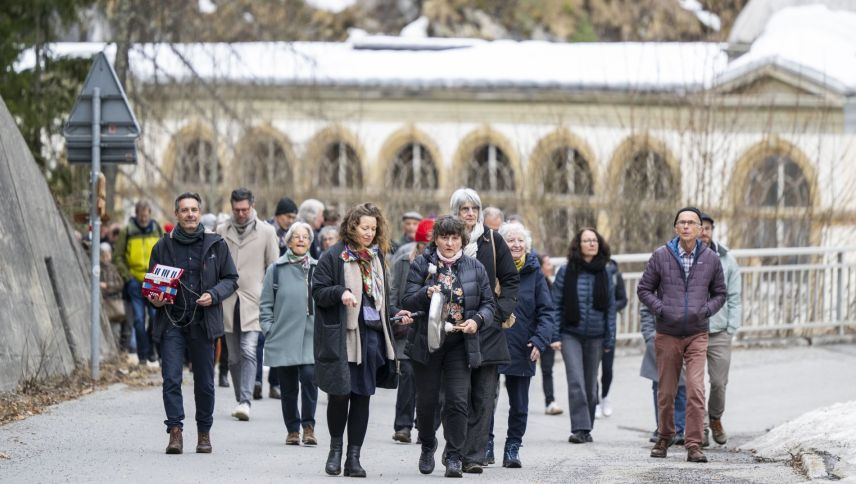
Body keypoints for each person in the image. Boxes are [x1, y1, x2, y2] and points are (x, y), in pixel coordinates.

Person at [312, 202, 410, 478]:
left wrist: (396, 313)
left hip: (372, 339)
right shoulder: (334, 256)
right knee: (339, 395)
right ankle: (335, 452)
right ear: (351, 227)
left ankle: (353, 458)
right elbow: (318, 291)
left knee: (362, 397)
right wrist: (340, 292)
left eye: (373, 228)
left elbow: (381, 301)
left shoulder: (376, 258)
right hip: (343, 339)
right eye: (364, 227)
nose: (369, 233)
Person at [402, 215, 494, 477]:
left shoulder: (475, 267)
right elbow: (406, 299)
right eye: (444, 237)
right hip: (427, 342)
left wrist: (477, 320)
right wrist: (425, 293)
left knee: (457, 400)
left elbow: (489, 304)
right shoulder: (422, 264)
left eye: (455, 238)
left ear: (462, 240)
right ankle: (427, 444)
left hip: (459, 343)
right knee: (427, 401)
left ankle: (454, 455)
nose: (450, 243)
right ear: (436, 239)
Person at [147, 192, 238, 455]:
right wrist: (155, 300)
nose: (190, 214)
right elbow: (152, 286)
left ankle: (204, 433)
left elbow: (231, 279)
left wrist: (214, 294)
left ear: (199, 213)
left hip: (203, 322)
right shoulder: (162, 246)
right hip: (171, 322)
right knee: (171, 379)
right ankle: (175, 432)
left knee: (205, 383)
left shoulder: (216, 244)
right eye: (185, 210)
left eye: (194, 210)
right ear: (176, 214)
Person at [637, 206, 726, 463]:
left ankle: (694, 444)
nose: (686, 226)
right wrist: (661, 309)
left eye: (691, 223)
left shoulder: (711, 258)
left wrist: (705, 310)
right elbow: (644, 289)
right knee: (666, 391)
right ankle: (664, 436)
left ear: (699, 229)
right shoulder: (661, 255)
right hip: (668, 333)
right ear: (676, 228)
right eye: (682, 222)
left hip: (697, 333)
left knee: (696, 389)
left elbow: (720, 293)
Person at [451, 188, 519, 473]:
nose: (470, 214)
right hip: (454, 329)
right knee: (456, 397)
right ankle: (454, 452)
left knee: (483, 394)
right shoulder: (448, 238)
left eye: (474, 208)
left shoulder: (492, 240)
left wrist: (499, 313)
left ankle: (473, 456)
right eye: (464, 209)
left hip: (488, 327)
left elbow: (511, 279)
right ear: (455, 212)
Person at [492, 222, 554, 468]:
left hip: (523, 345)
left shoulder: (535, 273)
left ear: (527, 245)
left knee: (519, 405)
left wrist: (540, 340)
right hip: (493, 342)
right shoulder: (492, 268)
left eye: (520, 241)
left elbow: (547, 312)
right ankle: (485, 444)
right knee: (485, 400)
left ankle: (512, 447)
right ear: (502, 245)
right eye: (511, 240)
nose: (516, 245)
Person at [216, 188, 279, 421]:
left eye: (245, 209)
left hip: (255, 300)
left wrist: (272, 301)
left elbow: (274, 268)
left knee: (249, 349)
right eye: (236, 210)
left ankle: (245, 401)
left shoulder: (267, 232)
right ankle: (240, 397)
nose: (241, 214)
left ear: (252, 206)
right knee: (233, 357)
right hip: (228, 300)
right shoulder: (221, 231)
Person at [550, 228, 616, 444]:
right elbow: (555, 304)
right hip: (570, 334)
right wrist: (554, 335)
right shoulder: (565, 270)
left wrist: (610, 337)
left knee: (590, 385)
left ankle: (587, 428)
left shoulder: (605, 271)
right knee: (576, 380)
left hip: (597, 336)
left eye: (594, 240)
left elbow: (610, 308)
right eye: (587, 240)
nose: (591, 244)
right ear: (578, 245)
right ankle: (580, 428)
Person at [259, 221, 319, 446]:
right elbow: (265, 304)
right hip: (283, 336)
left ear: (310, 242)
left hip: (311, 336)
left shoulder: (318, 268)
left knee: (310, 379)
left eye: (305, 237)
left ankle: (309, 427)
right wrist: (269, 330)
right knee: (288, 386)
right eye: (296, 236)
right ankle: (293, 429)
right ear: (288, 242)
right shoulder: (275, 269)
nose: (301, 240)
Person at [388, 217, 434, 444]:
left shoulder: (441, 264)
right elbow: (392, 294)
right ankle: (403, 426)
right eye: (423, 244)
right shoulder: (403, 262)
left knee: (428, 381)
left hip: (430, 329)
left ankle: (424, 426)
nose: (427, 249)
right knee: (407, 374)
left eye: (430, 244)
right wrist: (398, 313)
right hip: (406, 329)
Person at [699, 212, 742, 447]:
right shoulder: (685, 256)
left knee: (718, 383)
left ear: (712, 231)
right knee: (694, 384)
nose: (703, 232)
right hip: (693, 330)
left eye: (707, 228)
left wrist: (731, 327)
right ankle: (701, 426)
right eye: (700, 228)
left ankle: (715, 418)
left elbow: (735, 296)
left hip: (720, 331)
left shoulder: (727, 259)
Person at [114, 199, 163, 368]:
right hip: (135, 281)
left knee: (155, 317)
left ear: (149, 214)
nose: (143, 219)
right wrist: (127, 277)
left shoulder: (157, 229)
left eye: (146, 215)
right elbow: (117, 256)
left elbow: (165, 251)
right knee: (139, 320)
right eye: (141, 216)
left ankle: (151, 350)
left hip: (154, 280)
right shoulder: (127, 231)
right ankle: (143, 355)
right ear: (136, 214)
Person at [640, 305, 687, 444]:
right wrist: (650, 336)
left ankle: (678, 429)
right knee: (659, 383)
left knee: (681, 384)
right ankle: (662, 428)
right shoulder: (655, 289)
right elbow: (646, 308)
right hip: (658, 339)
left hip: (683, 336)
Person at [595, 258, 628, 418]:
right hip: (592, 328)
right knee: (591, 369)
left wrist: (611, 306)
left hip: (609, 328)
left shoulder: (615, 274)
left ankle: (605, 397)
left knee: (607, 368)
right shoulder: (589, 272)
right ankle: (594, 401)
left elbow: (623, 299)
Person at [538, 253, 564, 416]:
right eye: (547, 264)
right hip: (536, 332)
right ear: (540, 268)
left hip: (547, 332)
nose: (551, 266)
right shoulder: (538, 284)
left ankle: (550, 402)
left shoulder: (550, 284)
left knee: (547, 369)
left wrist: (554, 336)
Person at [100, 242, 127, 346]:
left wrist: (107, 285)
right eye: (103, 256)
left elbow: (120, 284)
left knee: (115, 329)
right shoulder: (97, 269)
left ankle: (115, 348)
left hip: (113, 303)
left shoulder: (113, 269)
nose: (106, 258)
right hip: (102, 303)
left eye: (108, 255)